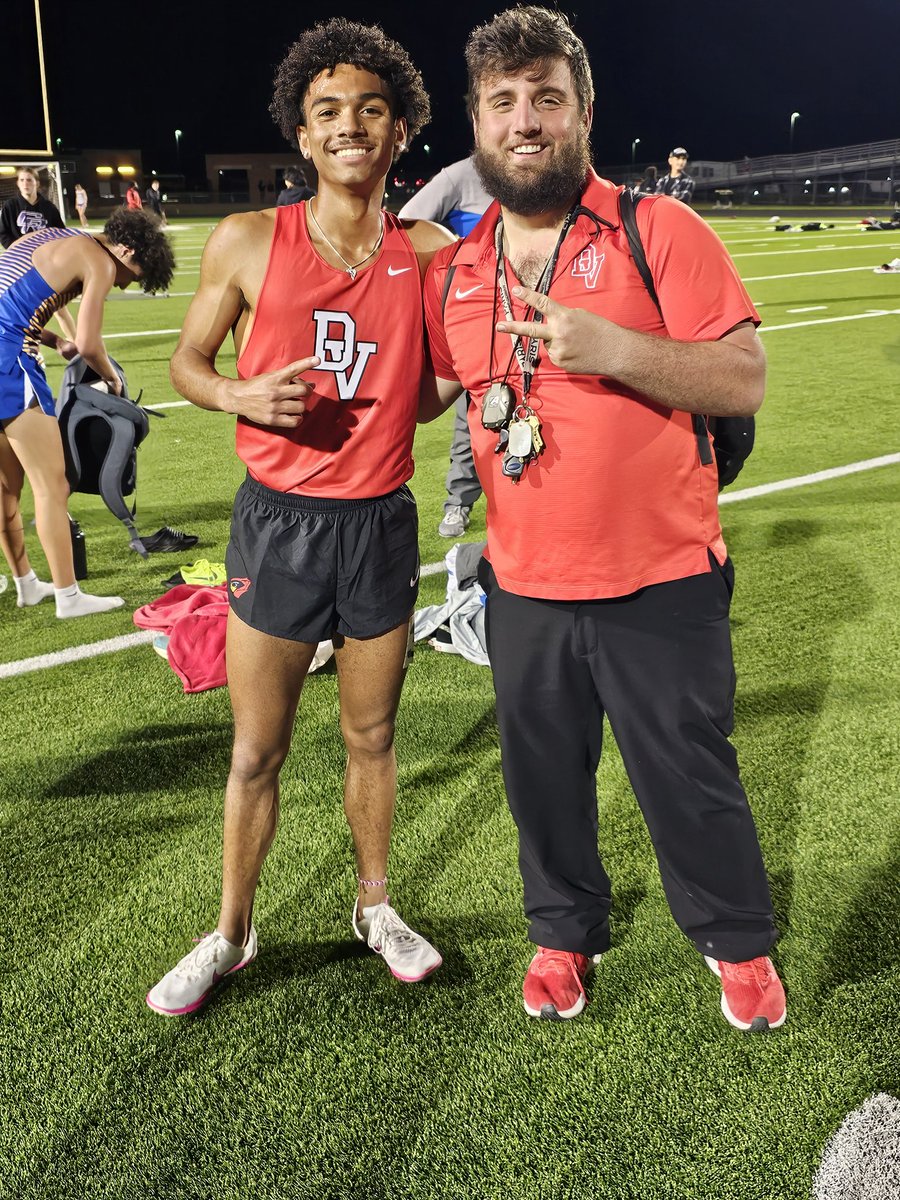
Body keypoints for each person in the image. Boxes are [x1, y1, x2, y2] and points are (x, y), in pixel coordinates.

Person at [420, 5, 785, 1032]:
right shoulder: (457, 266)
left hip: (661, 575)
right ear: (477, 124)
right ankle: (562, 934)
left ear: (582, 111)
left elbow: (743, 376)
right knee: (541, 781)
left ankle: (737, 943)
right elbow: (418, 399)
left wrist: (616, 349)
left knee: (689, 773)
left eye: (545, 97)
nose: (524, 120)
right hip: (524, 581)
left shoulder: (656, 227)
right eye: (502, 102)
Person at [149, 17, 454, 1018]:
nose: (350, 125)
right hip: (278, 524)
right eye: (328, 111)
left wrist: (449, 386)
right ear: (302, 131)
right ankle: (230, 934)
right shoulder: (249, 240)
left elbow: (431, 390)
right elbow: (187, 365)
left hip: (377, 527)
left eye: (371, 108)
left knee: (372, 737)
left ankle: (376, 906)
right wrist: (238, 395)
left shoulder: (430, 249)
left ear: (401, 129)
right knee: (256, 750)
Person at [0, 209, 174, 617]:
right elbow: (90, 344)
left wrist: (51, 338)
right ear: (127, 249)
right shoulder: (96, 258)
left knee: (8, 485)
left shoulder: (53, 237)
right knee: (52, 486)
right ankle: (68, 596)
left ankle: (27, 583)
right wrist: (113, 381)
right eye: (131, 275)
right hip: (9, 363)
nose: (124, 283)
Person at [400, 157, 492, 538]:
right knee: (472, 415)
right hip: (477, 315)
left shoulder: (544, 173)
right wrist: (454, 265)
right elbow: (404, 227)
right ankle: (459, 503)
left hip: (538, 315)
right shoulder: (459, 175)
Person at [1, 167, 77, 342]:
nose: (26, 183)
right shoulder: (11, 206)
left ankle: (76, 346)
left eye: (29, 180)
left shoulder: (48, 208)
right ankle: (29, 350)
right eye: (22, 180)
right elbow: (3, 234)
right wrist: (20, 251)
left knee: (58, 307)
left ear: (37, 183)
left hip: (46, 266)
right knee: (24, 311)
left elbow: (61, 234)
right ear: (17, 184)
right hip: (21, 267)